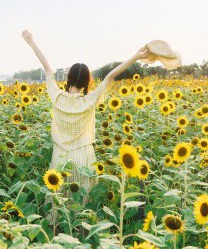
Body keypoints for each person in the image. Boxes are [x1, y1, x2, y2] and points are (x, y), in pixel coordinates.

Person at [22, 29, 149, 199]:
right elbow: (111, 75)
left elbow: (47, 67)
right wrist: (136, 56)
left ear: (68, 77)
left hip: (60, 155)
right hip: (84, 156)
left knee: (59, 198)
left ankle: (56, 225)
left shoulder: (57, 97)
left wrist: (31, 42)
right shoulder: (89, 101)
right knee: (83, 200)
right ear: (86, 82)